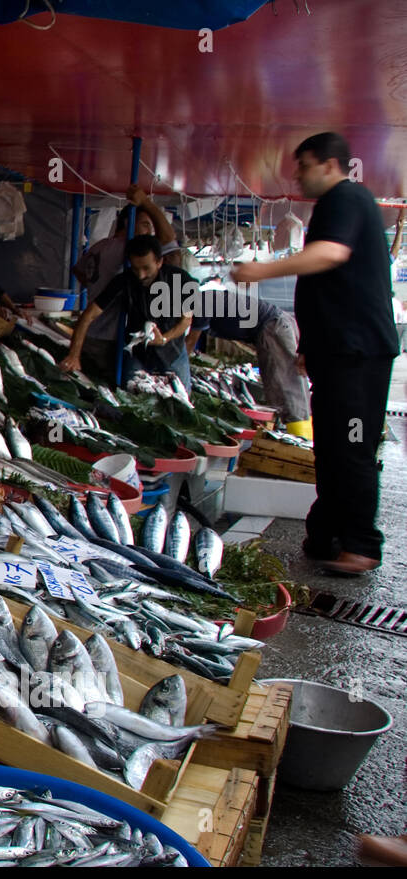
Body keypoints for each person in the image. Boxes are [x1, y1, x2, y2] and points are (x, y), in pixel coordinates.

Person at [232, 131, 398, 576]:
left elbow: (330, 254)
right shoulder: (337, 204)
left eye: (303, 165)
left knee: (352, 446)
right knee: (330, 447)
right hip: (337, 353)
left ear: (328, 164)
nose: (298, 175)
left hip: (358, 354)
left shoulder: (345, 198)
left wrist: (262, 270)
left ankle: (361, 543)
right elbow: (328, 286)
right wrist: (309, 347)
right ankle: (325, 534)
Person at [67, 186, 181, 382]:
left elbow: (78, 270)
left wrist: (95, 286)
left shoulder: (101, 246)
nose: (149, 231)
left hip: (91, 333)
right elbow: (169, 238)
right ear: (128, 223)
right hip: (110, 336)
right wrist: (145, 202)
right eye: (145, 225)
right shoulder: (127, 251)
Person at [62, 234, 199, 390]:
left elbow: (186, 320)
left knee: (181, 401)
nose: (140, 275)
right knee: (131, 395)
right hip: (138, 351)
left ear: (159, 262)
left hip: (172, 349)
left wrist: (164, 339)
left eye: (146, 268)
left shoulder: (182, 280)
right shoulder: (124, 280)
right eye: (135, 268)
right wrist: (74, 355)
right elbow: (88, 316)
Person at [184, 291, 312, 432]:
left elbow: (190, 343)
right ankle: (301, 432)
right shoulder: (204, 298)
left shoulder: (200, 303)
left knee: (286, 387)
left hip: (274, 326)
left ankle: (300, 439)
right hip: (277, 324)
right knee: (293, 384)